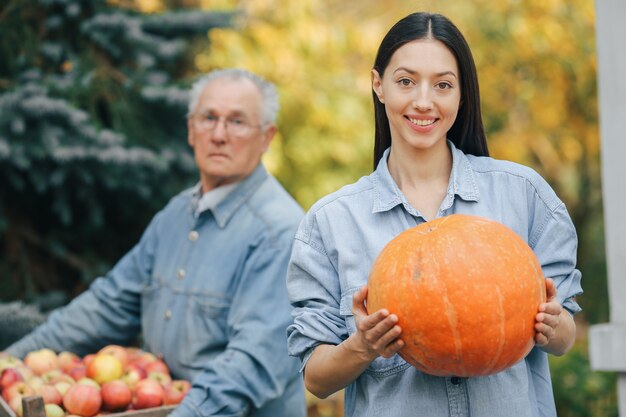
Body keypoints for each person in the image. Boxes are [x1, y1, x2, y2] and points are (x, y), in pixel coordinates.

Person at [286, 12, 582, 417]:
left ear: (462, 95)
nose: (423, 101)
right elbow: (316, 380)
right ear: (379, 85)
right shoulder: (331, 222)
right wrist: (363, 346)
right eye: (406, 81)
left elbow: (564, 339)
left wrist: (553, 326)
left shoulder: (524, 195)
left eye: (443, 85)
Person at [6, 68, 307, 417]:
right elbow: (108, 303)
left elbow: (250, 366)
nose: (219, 134)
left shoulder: (279, 232)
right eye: (208, 118)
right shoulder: (176, 216)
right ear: (191, 130)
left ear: (266, 137)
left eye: (237, 122)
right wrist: (10, 361)